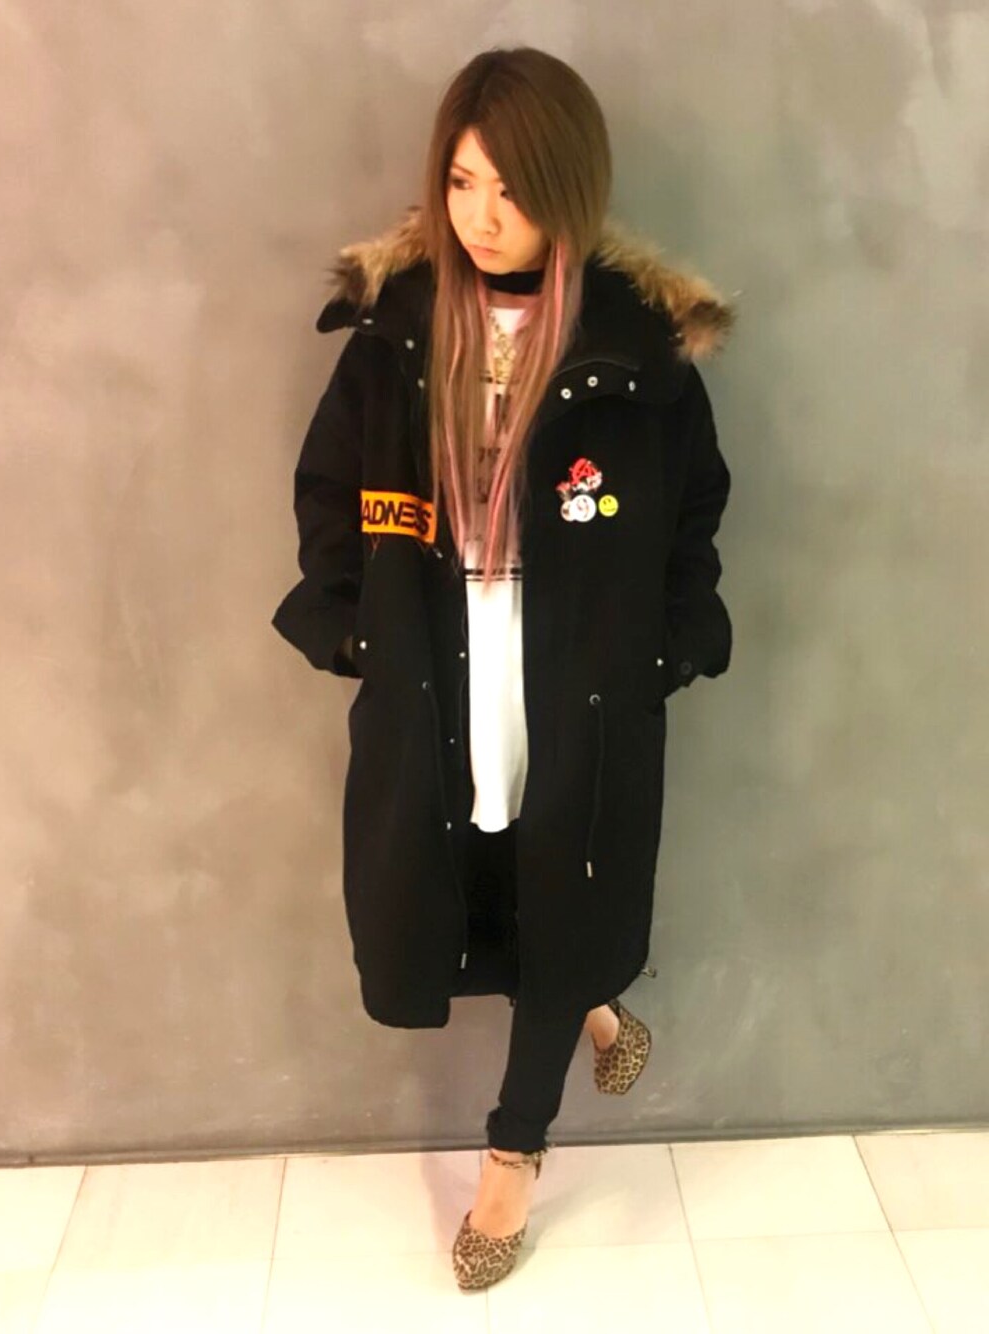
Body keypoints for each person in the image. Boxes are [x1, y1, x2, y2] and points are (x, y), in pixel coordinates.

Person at [271, 45, 736, 1291]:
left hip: (576, 657)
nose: (483, 216)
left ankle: (512, 1151)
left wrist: (668, 639)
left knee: (567, 863)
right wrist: (352, 626)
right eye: (463, 182)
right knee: (471, 869)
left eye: (514, 189)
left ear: (567, 189)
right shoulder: (400, 327)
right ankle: (591, 1005)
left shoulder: (633, 346)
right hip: (443, 652)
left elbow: (693, 508)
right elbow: (327, 486)